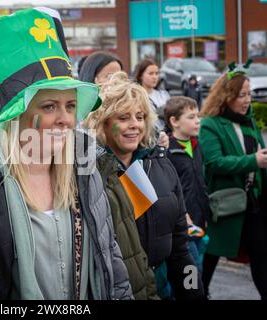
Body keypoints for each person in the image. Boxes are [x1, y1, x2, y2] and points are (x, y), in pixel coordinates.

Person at [0, 8, 133, 300]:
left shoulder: (84, 168)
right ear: (16, 116)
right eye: (48, 106)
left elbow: (111, 267)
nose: (65, 119)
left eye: (70, 106)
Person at [85, 72, 204, 300]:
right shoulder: (89, 176)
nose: (134, 125)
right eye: (123, 118)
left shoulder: (162, 166)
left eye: (139, 117)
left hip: (163, 286)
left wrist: (193, 291)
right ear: (103, 122)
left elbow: (181, 249)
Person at [199, 66, 267, 300]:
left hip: (253, 203)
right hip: (225, 204)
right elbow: (215, 162)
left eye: (249, 94)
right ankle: (198, 293)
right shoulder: (210, 124)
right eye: (241, 95)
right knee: (211, 257)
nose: (247, 100)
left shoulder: (249, 122)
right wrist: (253, 161)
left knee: (261, 256)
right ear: (226, 96)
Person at [164, 96, 211, 274]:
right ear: (174, 121)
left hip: (200, 220)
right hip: (182, 225)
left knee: (198, 267)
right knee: (191, 269)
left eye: (198, 116)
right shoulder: (168, 151)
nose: (198, 121)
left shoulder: (197, 146)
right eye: (191, 117)